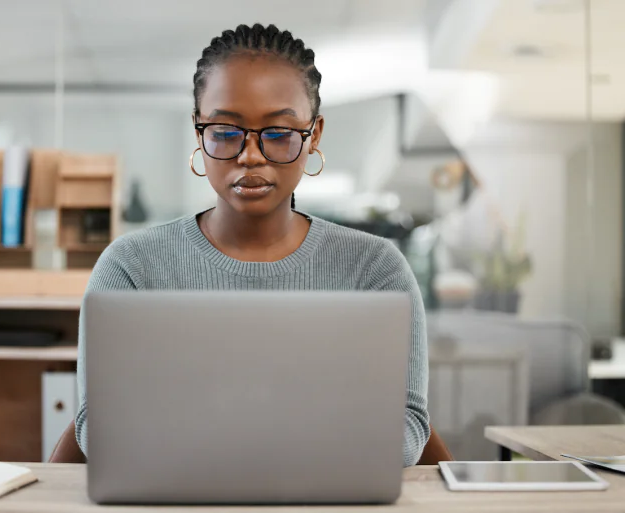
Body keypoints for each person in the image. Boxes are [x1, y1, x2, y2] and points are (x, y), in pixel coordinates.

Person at [75, 23, 430, 466]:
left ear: (313, 135)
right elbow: (99, 429)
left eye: (279, 133)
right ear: (198, 131)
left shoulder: (375, 269)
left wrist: (220, 441)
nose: (251, 155)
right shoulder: (131, 266)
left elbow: (406, 431)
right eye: (224, 131)